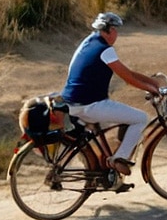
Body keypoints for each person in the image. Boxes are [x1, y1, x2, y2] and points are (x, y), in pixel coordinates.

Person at [61, 12, 161, 177]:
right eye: (115, 30)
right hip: (90, 105)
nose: (117, 34)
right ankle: (119, 158)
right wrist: (152, 89)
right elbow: (127, 78)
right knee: (141, 118)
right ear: (108, 30)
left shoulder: (88, 42)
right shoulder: (105, 50)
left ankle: (104, 173)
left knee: (108, 129)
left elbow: (126, 72)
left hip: (72, 103)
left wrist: (151, 82)